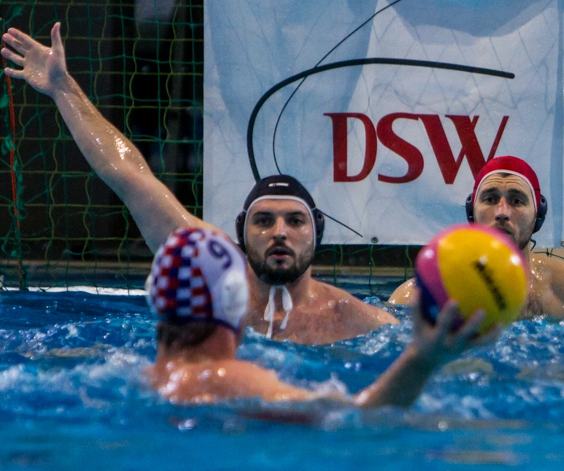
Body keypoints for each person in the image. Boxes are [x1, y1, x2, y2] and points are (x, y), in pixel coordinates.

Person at [1, 24, 396, 346]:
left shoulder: (357, 320)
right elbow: (129, 175)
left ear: (317, 232)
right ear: (241, 231)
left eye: (295, 221)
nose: (279, 232)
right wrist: (63, 89)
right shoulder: (212, 271)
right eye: (263, 221)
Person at [146, 227, 497, 406]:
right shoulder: (231, 381)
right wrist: (423, 358)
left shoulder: (146, 377)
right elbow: (359, 417)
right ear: (236, 303)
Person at [389, 156, 564, 320]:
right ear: (472, 212)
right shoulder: (413, 297)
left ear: (538, 216)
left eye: (517, 201)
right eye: (489, 199)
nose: (502, 212)